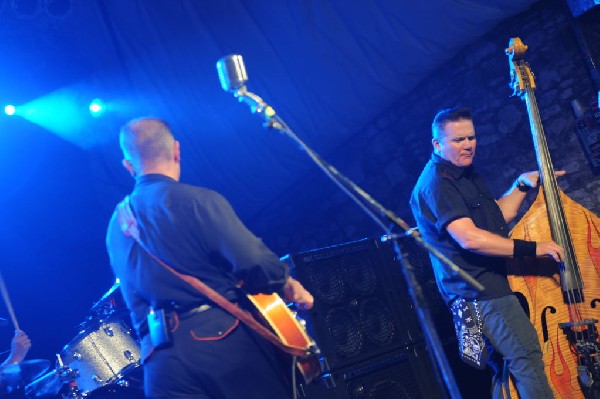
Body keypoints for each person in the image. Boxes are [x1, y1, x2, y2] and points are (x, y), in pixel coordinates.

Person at [106, 117, 314, 399]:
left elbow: (134, 302)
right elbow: (253, 261)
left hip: (161, 366)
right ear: (177, 150)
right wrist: (287, 283)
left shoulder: (115, 228)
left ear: (128, 166)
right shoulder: (196, 201)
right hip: (221, 345)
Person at [409, 106, 565, 399]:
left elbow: (495, 219)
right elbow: (470, 239)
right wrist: (535, 249)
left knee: (506, 369)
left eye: (471, 137)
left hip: (482, 291)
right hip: (479, 293)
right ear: (437, 144)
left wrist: (520, 185)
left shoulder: (465, 174)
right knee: (526, 357)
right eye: (458, 140)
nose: (468, 144)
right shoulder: (437, 184)